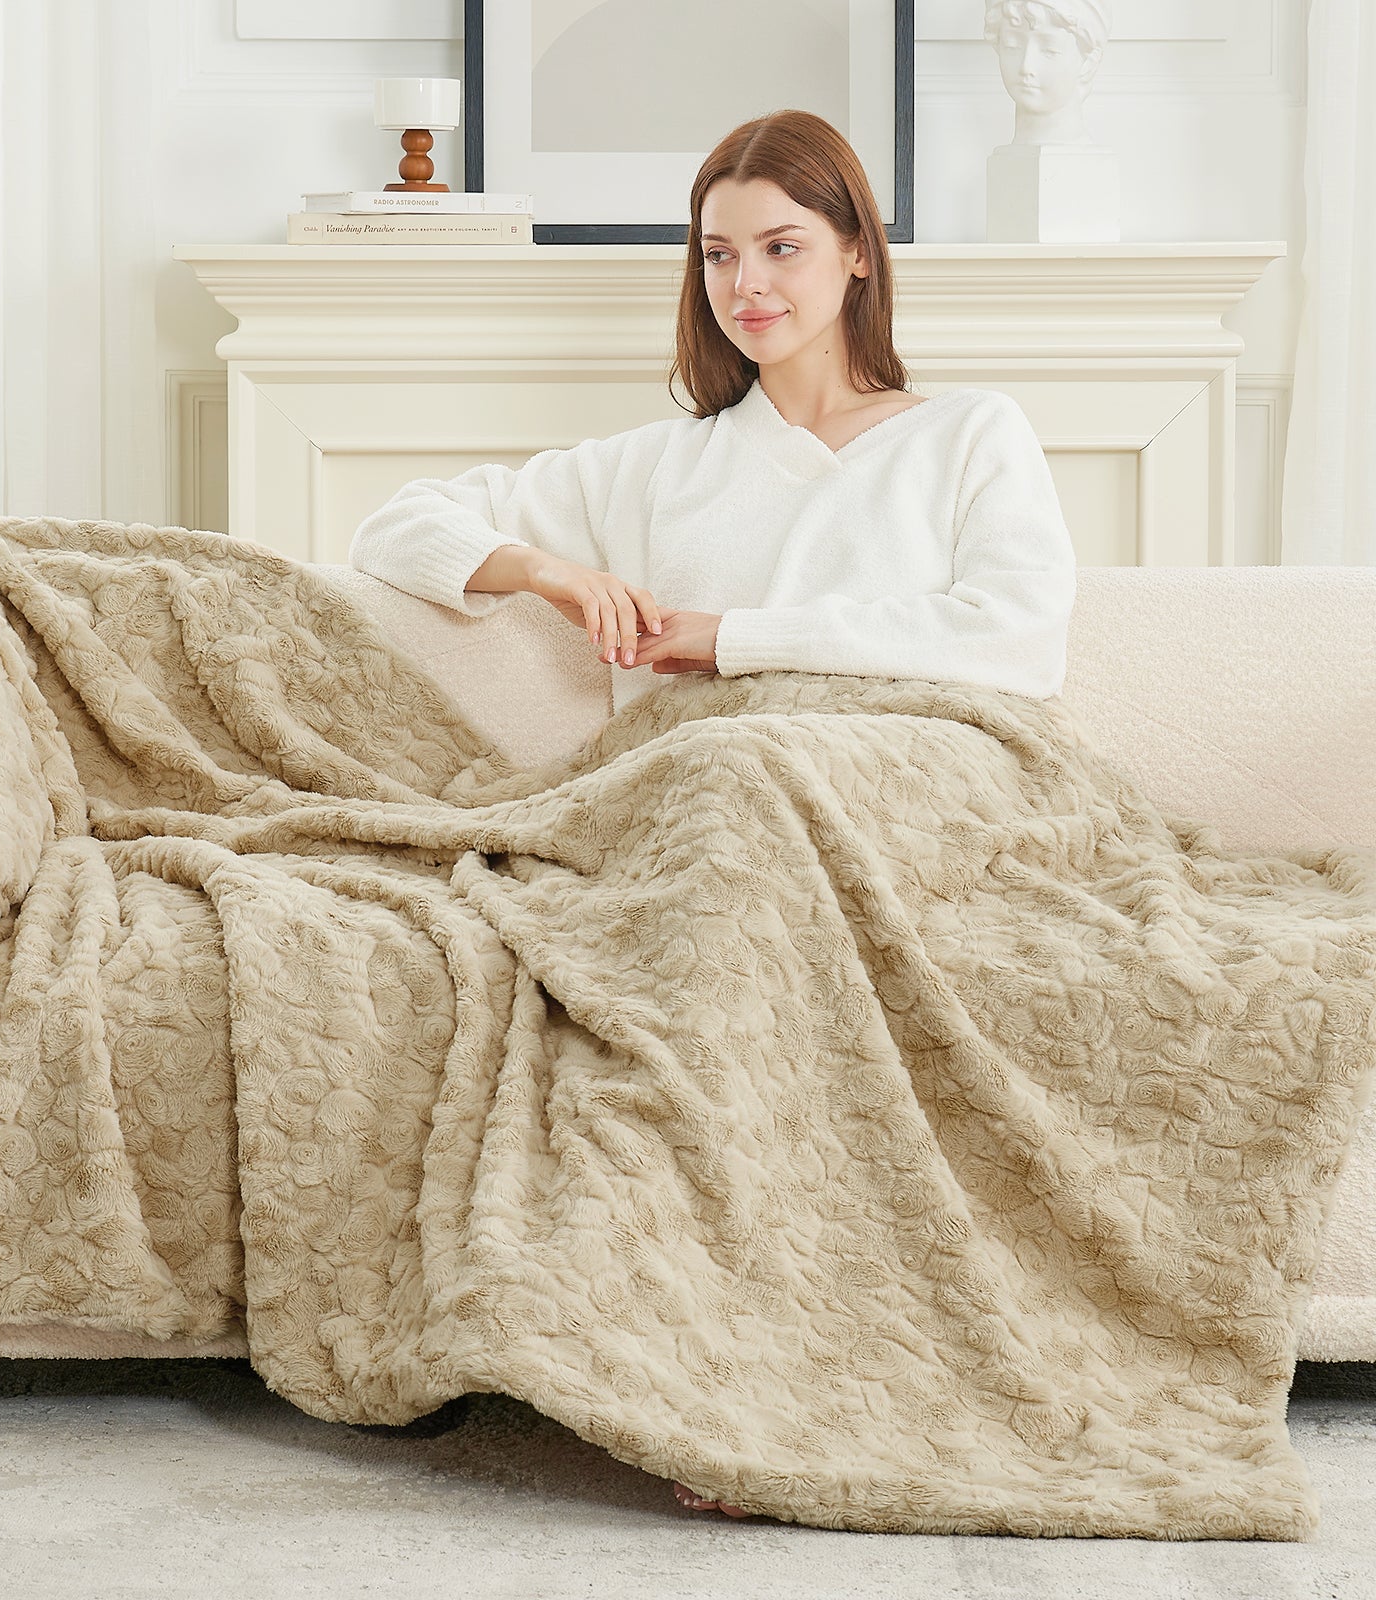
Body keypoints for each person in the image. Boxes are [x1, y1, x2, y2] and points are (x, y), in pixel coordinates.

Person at [347, 107, 1078, 1519]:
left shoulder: (969, 435)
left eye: (785, 247)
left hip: (931, 774)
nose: (751, 284)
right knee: (724, 806)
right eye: (720, 253)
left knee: (744, 783)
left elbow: (1015, 641)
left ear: (858, 254)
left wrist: (730, 638)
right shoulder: (654, 469)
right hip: (724, 804)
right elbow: (403, 522)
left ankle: (799, 1378)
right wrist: (554, 577)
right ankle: (721, 1371)